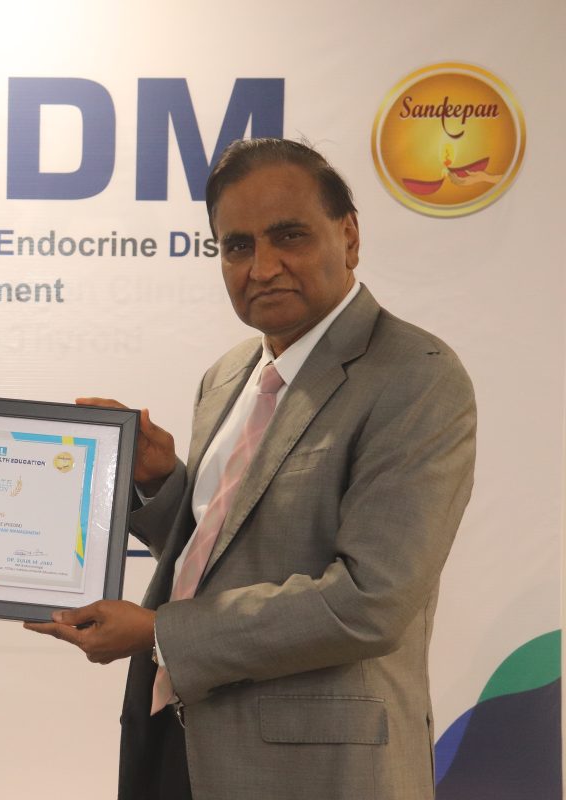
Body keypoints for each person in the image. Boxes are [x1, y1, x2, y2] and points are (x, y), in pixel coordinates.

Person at [26, 139, 476, 799]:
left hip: (314, 773)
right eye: (237, 246)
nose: (262, 267)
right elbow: (234, 551)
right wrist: (162, 482)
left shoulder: (416, 376)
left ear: (349, 236)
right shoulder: (229, 375)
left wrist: (160, 633)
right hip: (176, 740)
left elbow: (370, 601)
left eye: (289, 236)